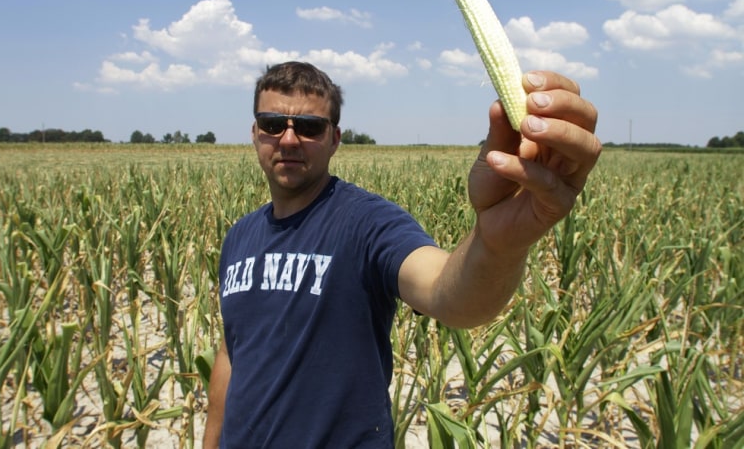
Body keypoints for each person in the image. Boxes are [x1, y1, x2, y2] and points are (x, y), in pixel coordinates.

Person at [203, 61, 601, 448]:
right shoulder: (240, 237)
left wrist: (498, 243)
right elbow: (233, 351)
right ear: (255, 133)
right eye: (274, 124)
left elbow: (450, 295)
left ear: (335, 139)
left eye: (309, 128)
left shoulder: (365, 222)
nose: (289, 140)